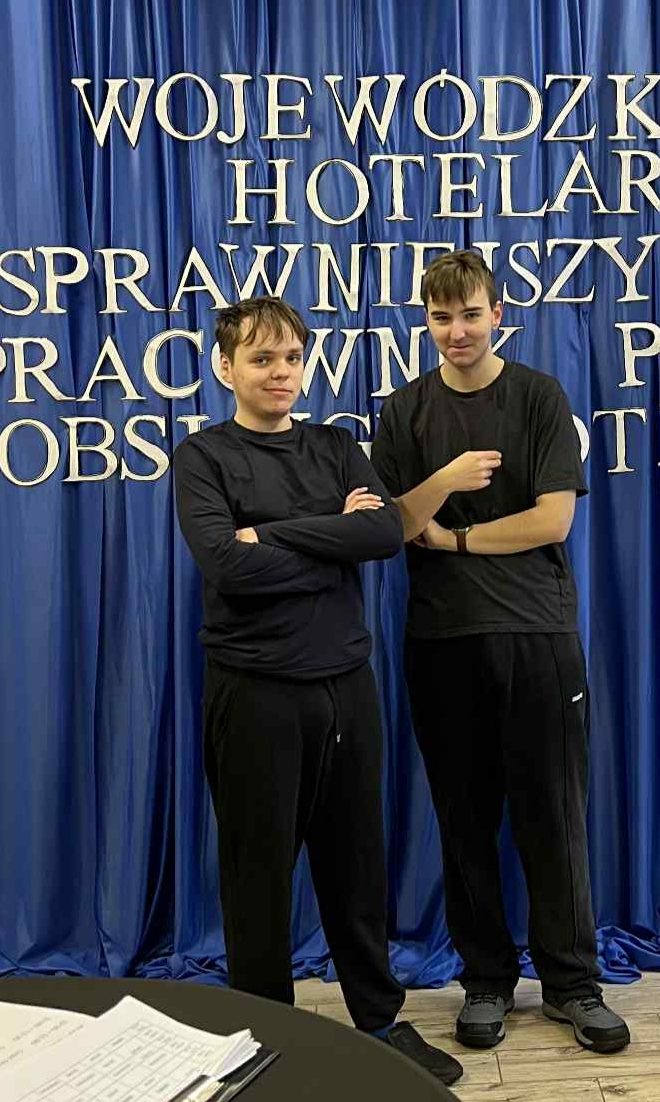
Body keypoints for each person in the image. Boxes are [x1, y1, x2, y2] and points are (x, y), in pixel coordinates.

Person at [171, 296, 461, 1086]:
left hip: (345, 687)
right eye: (261, 358)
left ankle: (379, 1021)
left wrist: (268, 533)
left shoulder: (334, 446)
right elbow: (226, 567)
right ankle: (262, 1035)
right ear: (225, 366)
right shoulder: (202, 456)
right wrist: (331, 535)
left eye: (292, 358)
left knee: (355, 866)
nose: (281, 373)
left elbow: (382, 534)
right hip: (255, 693)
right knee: (257, 875)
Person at [372, 251, 630, 1054]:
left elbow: (551, 521)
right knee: (464, 820)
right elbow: (391, 524)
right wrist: (444, 482)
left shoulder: (538, 397)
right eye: (440, 317)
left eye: (469, 315)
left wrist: (453, 537)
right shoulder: (404, 411)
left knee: (553, 816)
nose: (456, 330)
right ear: (425, 321)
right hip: (441, 641)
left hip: (537, 635)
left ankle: (572, 985)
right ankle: (484, 980)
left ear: (496, 315)